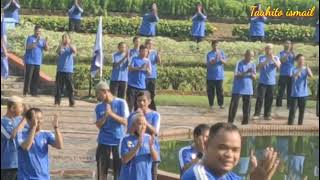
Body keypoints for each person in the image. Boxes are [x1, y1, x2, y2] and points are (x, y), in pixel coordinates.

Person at [181, 122, 280, 180]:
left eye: (235, 150)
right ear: (207, 146)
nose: (229, 154)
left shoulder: (227, 175)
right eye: (222, 147)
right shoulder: (199, 175)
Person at [94, 82, 129, 180]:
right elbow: (98, 125)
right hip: (103, 142)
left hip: (118, 141)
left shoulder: (121, 103)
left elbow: (126, 121)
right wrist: (105, 115)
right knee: (102, 171)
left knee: (118, 172)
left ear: (105, 91)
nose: (96, 96)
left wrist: (111, 114)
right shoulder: (98, 107)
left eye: (98, 93)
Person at [17, 108, 63, 180]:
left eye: (41, 118)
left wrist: (56, 127)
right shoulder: (21, 134)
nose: (39, 121)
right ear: (28, 121)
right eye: (36, 119)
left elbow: (59, 145)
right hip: (25, 177)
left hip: (43, 177)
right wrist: (34, 127)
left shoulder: (46, 134)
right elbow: (26, 147)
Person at [127, 91, 161, 180]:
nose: (141, 103)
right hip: (136, 150)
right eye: (139, 101)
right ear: (136, 102)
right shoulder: (132, 115)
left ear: (149, 101)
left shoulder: (155, 115)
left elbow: (155, 132)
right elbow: (129, 133)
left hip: (151, 149)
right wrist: (136, 119)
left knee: (152, 174)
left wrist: (144, 120)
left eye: (144, 100)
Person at [119, 112, 159, 180]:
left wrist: (151, 147)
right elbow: (125, 160)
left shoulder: (150, 138)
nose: (143, 127)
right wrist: (138, 145)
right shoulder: (125, 139)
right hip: (129, 177)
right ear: (134, 126)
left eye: (145, 124)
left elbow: (156, 159)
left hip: (145, 177)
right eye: (140, 124)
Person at [253, 44, 281, 120]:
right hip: (262, 82)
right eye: (267, 48)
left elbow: (279, 67)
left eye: (270, 48)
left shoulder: (276, 57)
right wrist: (268, 59)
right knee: (260, 98)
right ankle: (257, 114)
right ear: (265, 49)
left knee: (269, 99)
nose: (269, 50)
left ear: (272, 50)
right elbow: (259, 67)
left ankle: (267, 115)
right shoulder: (261, 57)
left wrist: (272, 59)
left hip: (271, 82)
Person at [228, 50, 256, 125]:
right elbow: (236, 75)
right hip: (238, 89)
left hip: (248, 89)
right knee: (233, 106)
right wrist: (246, 72)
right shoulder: (239, 63)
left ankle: (245, 123)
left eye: (252, 56)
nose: (251, 57)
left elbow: (254, 77)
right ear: (245, 55)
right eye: (250, 55)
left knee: (247, 108)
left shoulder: (253, 64)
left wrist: (252, 75)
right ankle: (230, 123)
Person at [1, 96, 25, 180]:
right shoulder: (2, 122)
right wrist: (24, 119)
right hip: (7, 165)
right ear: (12, 108)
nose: (23, 109)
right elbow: (12, 136)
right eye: (21, 106)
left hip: (21, 163)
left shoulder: (19, 119)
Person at [23, 25, 49, 97]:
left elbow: (46, 49)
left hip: (37, 61)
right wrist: (36, 41)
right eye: (37, 31)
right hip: (30, 60)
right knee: (28, 77)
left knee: (35, 78)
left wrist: (46, 43)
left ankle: (34, 93)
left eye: (40, 31)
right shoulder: (30, 38)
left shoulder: (42, 39)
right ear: (34, 31)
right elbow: (28, 47)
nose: (38, 33)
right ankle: (25, 92)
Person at [288, 54, 313, 125]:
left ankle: (300, 125)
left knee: (302, 111)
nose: (302, 61)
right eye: (301, 59)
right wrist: (300, 69)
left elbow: (311, 76)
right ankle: (290, 125)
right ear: (297, 60)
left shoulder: (306, 69)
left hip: (304, 94)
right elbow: (294, 77)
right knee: (292, 111)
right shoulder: (293, 68)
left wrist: (308, 69)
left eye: (303, 60)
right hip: (295, 94)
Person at [127, 45, 151, 112]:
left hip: (142, 86)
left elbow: (149, 74)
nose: (144, 53)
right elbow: (129, 69)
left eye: (146, 51)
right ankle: (128, 120)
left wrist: (147, 70)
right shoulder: (134, 58)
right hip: (132, 85)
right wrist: (139, 68)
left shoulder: (147, 61)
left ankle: (138, 119)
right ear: (139, 51)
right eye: (143, 51)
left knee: (139, 105)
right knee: (130, 104)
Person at [54, 33, 76, 107]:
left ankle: (71, 102)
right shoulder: (61, 47)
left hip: (68, 70)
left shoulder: (71, 46)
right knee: (59, 87)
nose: (65, 39)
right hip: (60, 70)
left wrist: (69, 44)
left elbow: (74, 51)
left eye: (67, 38)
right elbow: (57, 52)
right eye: (64, 38)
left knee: (70, 87)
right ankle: (57, 102)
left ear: (69, 39)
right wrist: (61, 45)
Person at [206, 40, 227, 111]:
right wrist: (216, 57)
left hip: (219, 76)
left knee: (220, 91)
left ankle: (221, 104)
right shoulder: (209, 54)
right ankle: (211, 104)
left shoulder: (222, 53)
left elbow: (225, 62)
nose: (216, 47)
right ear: (212, 46)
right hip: (210, 76)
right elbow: (212, 62)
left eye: (217, 45)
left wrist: (220, 58)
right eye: (214, 45)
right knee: (210, 91)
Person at [276, 41, 295, 109]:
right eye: (286, 43)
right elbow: (281, 61)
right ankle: (278, 104)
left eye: (289, 43)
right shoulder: (281, 53)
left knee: (290, 90)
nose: (288, 44)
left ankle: (289, 105)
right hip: (283, 74)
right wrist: (287, 54)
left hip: (291, 74)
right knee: (281, 90)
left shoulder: (293, 53)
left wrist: (292, 52)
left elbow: (296, 60)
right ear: (284, 44)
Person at [145, 39, 161, 111]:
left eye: (152, 44)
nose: (150, 45)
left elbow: (158, 62)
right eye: (148, 44)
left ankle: (152, 108)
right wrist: (147, 53)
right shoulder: (143, 52)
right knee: (144, 92)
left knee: (152, 93)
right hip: (144, 76)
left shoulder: (154, 52)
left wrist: (158, 55)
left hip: (152, 76)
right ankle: (144, 107)